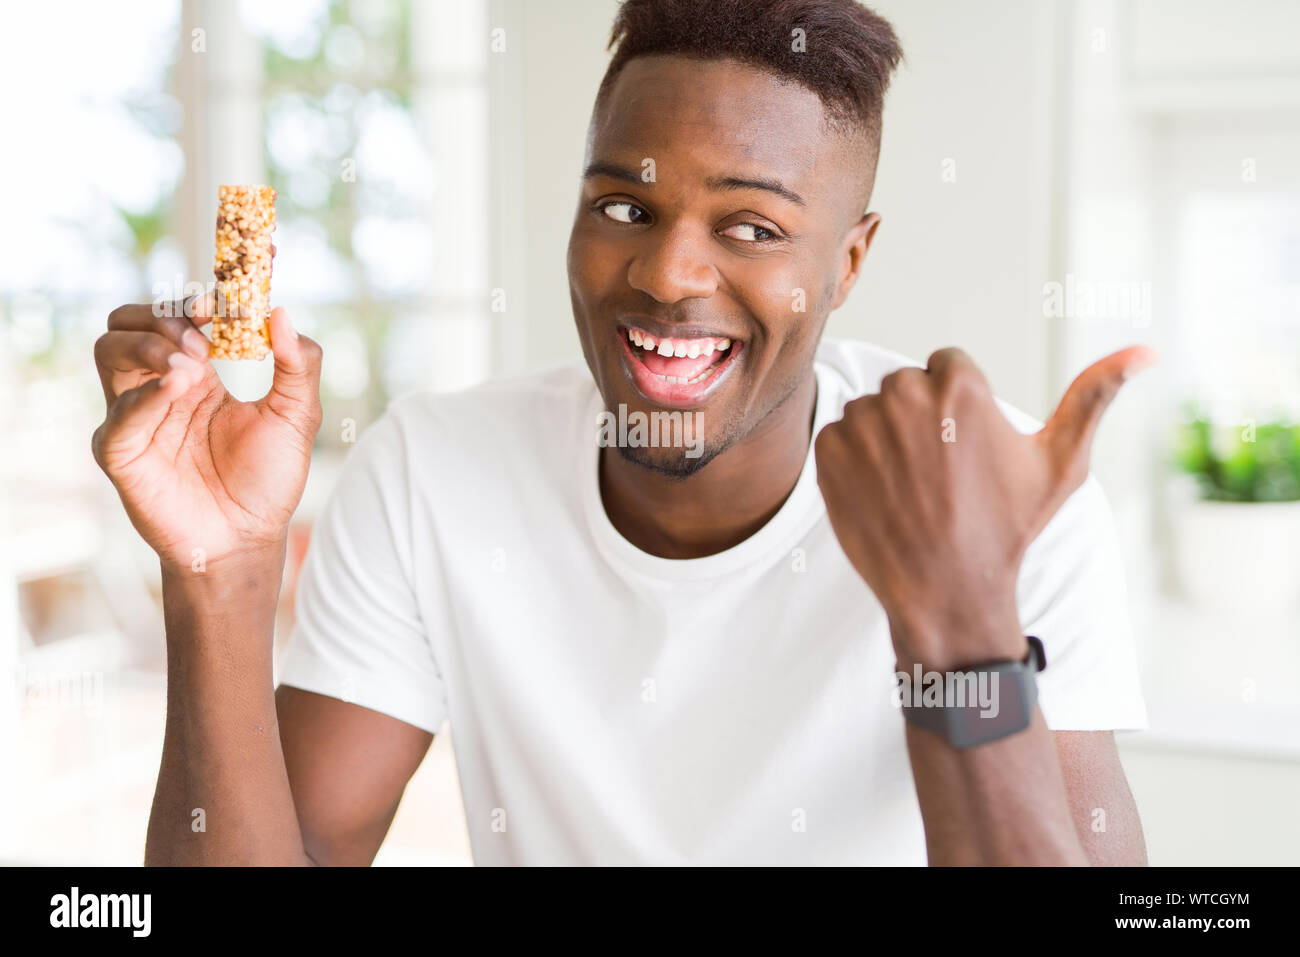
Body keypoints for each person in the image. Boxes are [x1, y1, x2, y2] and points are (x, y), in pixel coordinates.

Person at [92, 0, 1151, 866]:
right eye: (623, 209)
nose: (665, 274)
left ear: (849, 262)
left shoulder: (996, 492)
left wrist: (959, 627)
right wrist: (218, 571)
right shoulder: (436, 469)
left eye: (751, 227)